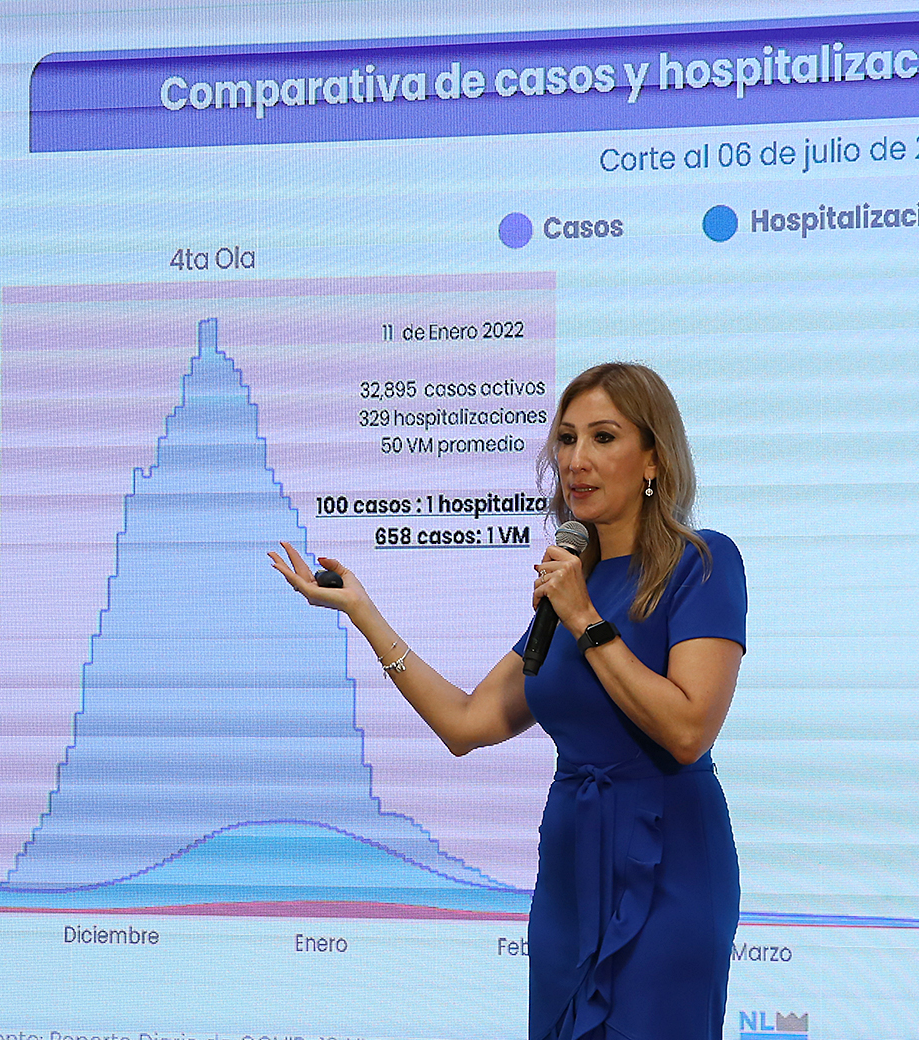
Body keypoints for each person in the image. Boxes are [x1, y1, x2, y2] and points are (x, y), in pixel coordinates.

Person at [270, 363, 747, 1040]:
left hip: (670, 865)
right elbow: (467, 723)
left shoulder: (701, 564)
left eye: (603, 437)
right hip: (571, 873)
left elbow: (688, 730)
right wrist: (363, 613)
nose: (576, 460)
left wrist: (584, 620)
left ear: (654, 459)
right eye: (567, 439)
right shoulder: (569, 589)